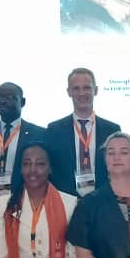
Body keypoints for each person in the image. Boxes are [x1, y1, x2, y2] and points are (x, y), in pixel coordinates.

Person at [44, 68, 122, 197]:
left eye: (87, 88)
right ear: (69, 92)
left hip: (103, 199)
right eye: (76, 88)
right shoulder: (54, 130)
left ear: (95, 90)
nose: (82, 93)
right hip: (65, 200)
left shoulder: (112, 130)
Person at [0, 82, 46, 207]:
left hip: (26, 204)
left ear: (22, 102)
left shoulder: (39, 134)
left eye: (10, 97)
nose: (3, 101)